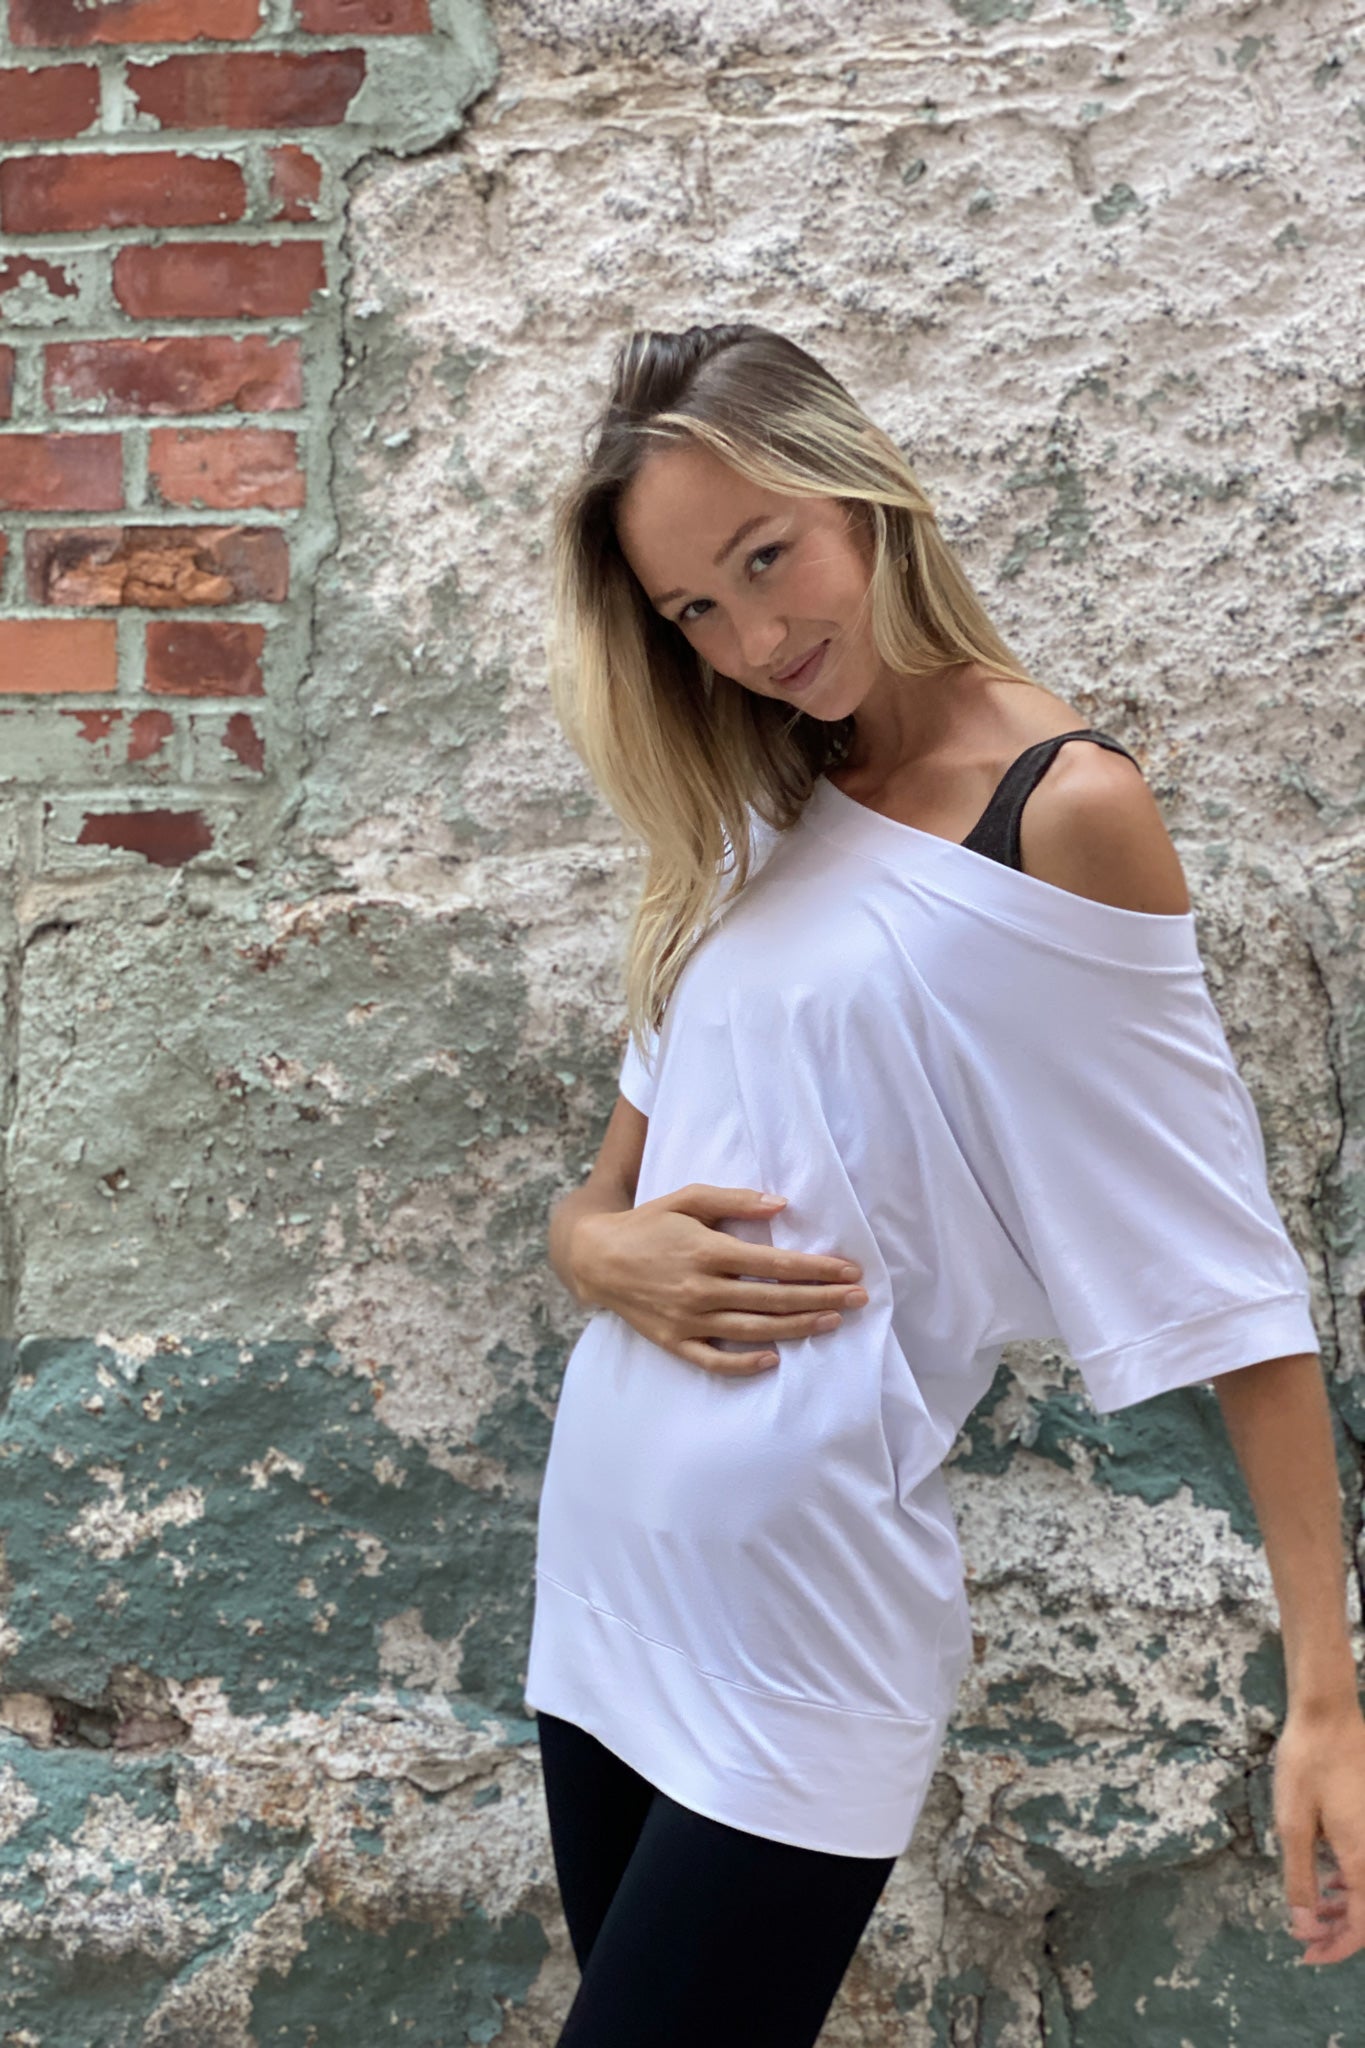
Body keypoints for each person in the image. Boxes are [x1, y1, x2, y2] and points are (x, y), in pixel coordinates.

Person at [523, 322, 1365, 2045]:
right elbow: (604, 1200)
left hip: (796, 1624)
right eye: (695, 610)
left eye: (769, 558)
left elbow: (1222, 1270)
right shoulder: (759, 796)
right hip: (608, 1578)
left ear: (861, 488)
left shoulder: (1060, 812)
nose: (754, 638)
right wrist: (596, 1255)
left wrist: (1326, 1695)